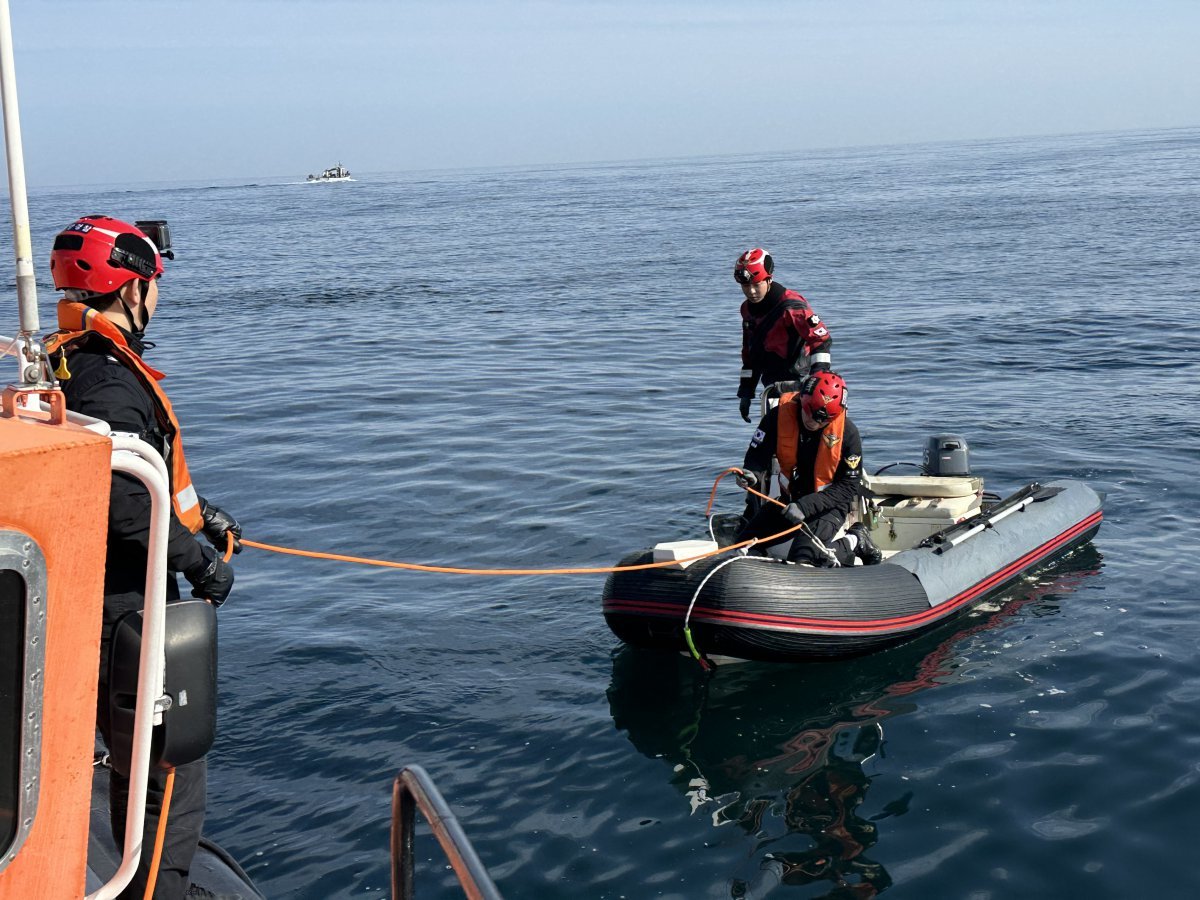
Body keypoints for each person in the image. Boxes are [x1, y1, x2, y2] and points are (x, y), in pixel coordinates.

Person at [46, 215, 240, 899]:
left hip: (87, 603)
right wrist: (201, 562)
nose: (156, 298)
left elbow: (139, 470)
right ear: (129, 290)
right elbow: (127, 506)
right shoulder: (109, 382)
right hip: (124, 613)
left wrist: (199, 516)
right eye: (152, 284)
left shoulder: (69, 361)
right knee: (168, 783)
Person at [735, 370, 882, 567]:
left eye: (823, 420)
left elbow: (849, 485)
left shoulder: (848, 434)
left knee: (805, 560)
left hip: (828, 505)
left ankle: (855, 540)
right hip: (789, 501)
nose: (814, 422)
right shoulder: (777, 417)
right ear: (802, 401)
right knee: (741, 547)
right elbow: (757, 455)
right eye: (810, 413)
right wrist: (751, 473)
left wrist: (806, 506)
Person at [734, 248, 833, 422]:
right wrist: (746, 393)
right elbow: (750, 356)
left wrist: (817, 378)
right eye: (746, 286)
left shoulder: (792, 306)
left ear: (769, 279)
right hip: (771, 388)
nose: (751, 292)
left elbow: (820, 340)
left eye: (757, 285)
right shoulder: (747, 310)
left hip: (799, 387)